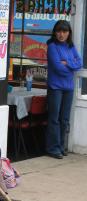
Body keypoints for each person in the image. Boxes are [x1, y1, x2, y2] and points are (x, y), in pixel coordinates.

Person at [46, 20, 82, 159]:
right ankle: (52, 148)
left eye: (64, 31)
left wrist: (67, 63)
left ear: (69, 33)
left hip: (68, 88)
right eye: (59, 31)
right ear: (55, 32)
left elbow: (80, 63)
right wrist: (70, 66)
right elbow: (58, 68)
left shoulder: (71, 46)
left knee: (64, 119)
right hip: (55, 87)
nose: (61, 34)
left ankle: (61, 146)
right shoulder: (52, 46)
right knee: (54, 119)